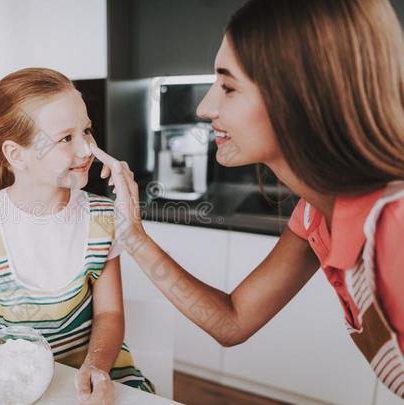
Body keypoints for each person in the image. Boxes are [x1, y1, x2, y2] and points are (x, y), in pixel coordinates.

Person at [90, 0, 404, 399]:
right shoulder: (314, 213)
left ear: (301, 98)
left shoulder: (395, 227)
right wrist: (132, 236)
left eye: (228, 87)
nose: (205, 108)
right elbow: (233, 321)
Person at [0, 68, 154, 405]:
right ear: (16, 154)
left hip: (91, 380)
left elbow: (109, 314)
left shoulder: (101, 218)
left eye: (86, 131)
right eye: (66, 138)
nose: (86, 149)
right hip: (12, 386)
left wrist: (95, 368)